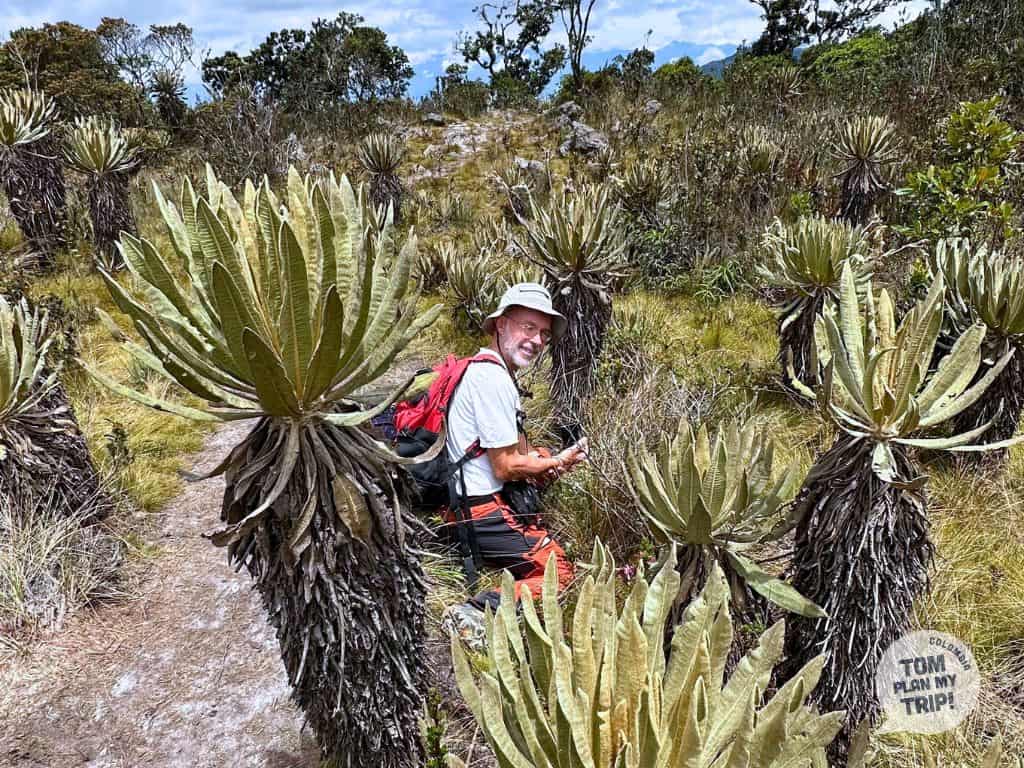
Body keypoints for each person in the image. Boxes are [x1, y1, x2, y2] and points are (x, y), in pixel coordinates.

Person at [441, 283, 588, 647]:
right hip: (477, 510)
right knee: (559, 573)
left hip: (461, 501)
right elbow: (505, 466)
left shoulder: (484, 369)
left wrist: (545, 461)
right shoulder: (492, 379)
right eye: (527, 327)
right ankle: (475, 611)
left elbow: (511, 454)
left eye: (542, 334)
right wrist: (556, 460)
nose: (537, 340)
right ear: (502, 325)